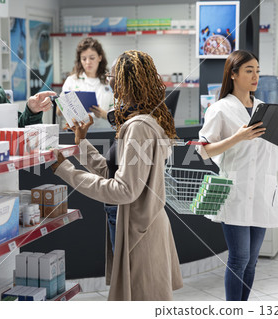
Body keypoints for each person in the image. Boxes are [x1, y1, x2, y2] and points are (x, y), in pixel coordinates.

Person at [51, 50, 183, 301]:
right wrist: (81, 143)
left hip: (139, 233)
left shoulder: (138, 127)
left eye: (113, 75)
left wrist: (66, 170)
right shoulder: (145, 120)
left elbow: (123, 190)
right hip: (140, 225)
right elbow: (111, 171)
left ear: (125, 80)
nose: (110, 81)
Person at [196, 50, 278, 301]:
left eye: (257, 70)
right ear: (233, 75)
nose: (255, 76)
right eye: (248, 71)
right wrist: (238, 137)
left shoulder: (265, 109)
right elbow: (204, 151)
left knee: (252, 262)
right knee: (239, 258)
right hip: (235, 192)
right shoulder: (219, 109)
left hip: (263, 193)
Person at [57, 37, 114, 129]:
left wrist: (103, 114)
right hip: (78, 134)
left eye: (92, 58)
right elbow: (59, 112)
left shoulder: (109, 82)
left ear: (100, 57)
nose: (88, 62)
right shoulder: (72, 80)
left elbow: (118, 115)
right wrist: (68, 104)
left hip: (104, 133)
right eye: (84, 59)